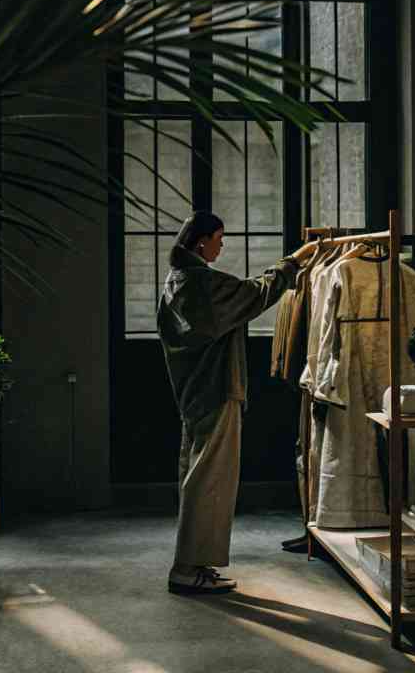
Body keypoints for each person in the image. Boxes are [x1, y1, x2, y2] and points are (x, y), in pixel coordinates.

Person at [157, 210, 316, 595]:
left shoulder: (177, 282)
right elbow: (254, 293)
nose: (222, 245)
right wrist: (294, 262)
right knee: (210, 482)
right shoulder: (200, 284)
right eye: (219, 238)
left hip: (194, 392)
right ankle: (187, 568)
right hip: (215, 390)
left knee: (197, 478)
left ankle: (194, 563)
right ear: (201, 242)